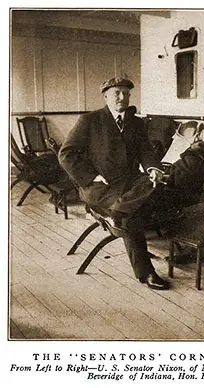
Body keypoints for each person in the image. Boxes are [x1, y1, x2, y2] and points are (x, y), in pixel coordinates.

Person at [58, 76, 175, 291]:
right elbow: (66, 154)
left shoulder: (136, 122)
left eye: (126, 94)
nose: (123, 97)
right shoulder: (90, 120)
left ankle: (120, 212)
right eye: (117, 94)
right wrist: (91, 177)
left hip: (129, 184)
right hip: (99, 186)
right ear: (105, 96)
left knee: (159, 185)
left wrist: (153, 169)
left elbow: (146, 151)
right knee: (134, 216)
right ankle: (146, 272)